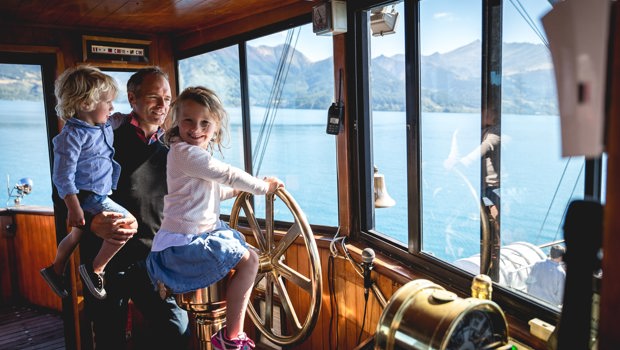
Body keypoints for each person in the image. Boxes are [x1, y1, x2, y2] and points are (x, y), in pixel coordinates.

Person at [146, 86, 284, 350]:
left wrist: (246, 187)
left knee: (249, 258)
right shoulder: (186, 153)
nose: (196, 128)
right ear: (177, 121)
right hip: (183, 245)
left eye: (204, 123)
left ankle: (229, 335)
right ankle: (231, 338)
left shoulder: (186, 154)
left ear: (216, 127)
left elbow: (214, 191)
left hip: (190, 238)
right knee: (251, 261)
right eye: (188, 120)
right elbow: (229, 174)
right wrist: (263, 188)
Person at [77, 67, 190, 349]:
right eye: (154, 97)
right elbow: (65, 189)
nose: (163, 106)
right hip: (104, 261)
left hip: (152, 261)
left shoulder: (173, 148)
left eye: (167, 98)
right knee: (108, 338)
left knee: (177, 331)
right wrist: (90, 223)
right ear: (132, 98)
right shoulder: (105, 138)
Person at [40, 66, 137, 300]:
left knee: (75, 236)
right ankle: (95, 269)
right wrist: (73, 207)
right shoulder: (71, 136)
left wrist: (134, 116)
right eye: (108, 102)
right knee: (129, 223)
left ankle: (55, 270)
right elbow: (62, 175)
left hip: (97, 194)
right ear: (86, 104)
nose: (112, 107)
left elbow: (116, 120)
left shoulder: (101, 125)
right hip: (88, 196)